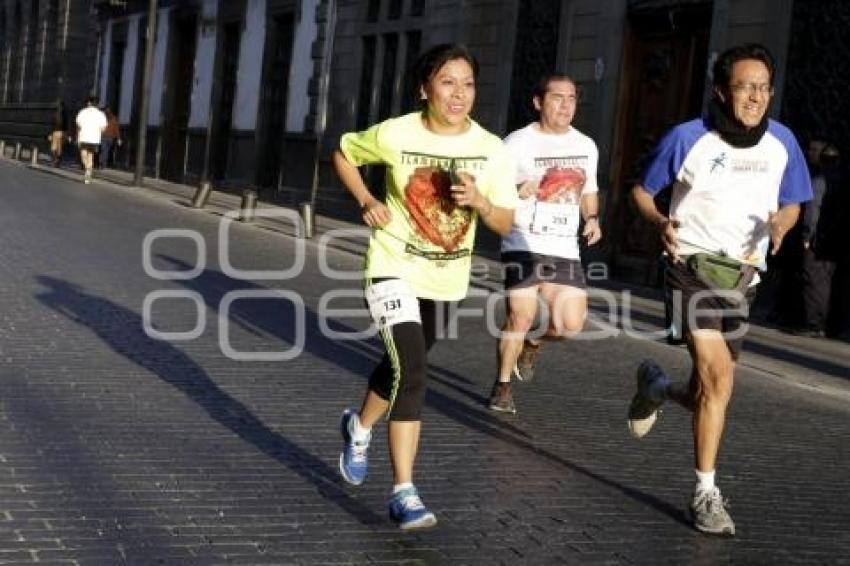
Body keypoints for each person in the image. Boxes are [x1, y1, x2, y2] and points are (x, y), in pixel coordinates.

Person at [627, 43, 812, 536]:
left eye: (763, 88)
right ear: (720, 91)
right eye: (745, 87)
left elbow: (793, 201)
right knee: (719, 382)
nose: (755, 97)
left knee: (710, 390)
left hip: (743, 277)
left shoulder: (783, 143)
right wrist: (660, 220)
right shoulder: (689, 138)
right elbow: (642, 191)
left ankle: (658, 387)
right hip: (690, 267)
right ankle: (705, 493)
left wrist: (782, 223)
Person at [332, 44, 517, 530]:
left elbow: (504, 222)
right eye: (447, 82)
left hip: (447, 276)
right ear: (424, 88)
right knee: (412, 371)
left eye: (468, 83)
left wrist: (479, 200)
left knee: (399, 368)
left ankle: (359, 425)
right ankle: (404, 492)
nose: (459, 93)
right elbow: (344, 153)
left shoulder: (491, 149)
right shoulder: (396, 133)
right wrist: (367, 198)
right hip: (391, 265)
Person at [488, 74, 602, 414]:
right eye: (557, 97)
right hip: (522, 240)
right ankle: (503, 385)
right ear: (539, 102)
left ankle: (533, 342)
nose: (566, 105)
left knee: (569, 325)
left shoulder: (585, 145)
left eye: (571, 98)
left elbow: (589, 190)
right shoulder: (516, 143)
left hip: (564, 246)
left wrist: (593, 218)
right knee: (520, 315)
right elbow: (491, 188)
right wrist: (516, 187)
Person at [786, 140, 841, 337]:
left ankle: (814, 323)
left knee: (814, 280)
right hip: (835, 239)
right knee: (828, 280)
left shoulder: (819, 180)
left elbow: (812, 210)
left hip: (819, 239)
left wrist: (807, 236)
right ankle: (829, 324)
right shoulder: (841, 179)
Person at [75, 96, 107, 183]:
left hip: (84, 137)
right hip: (94, 139)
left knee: (84, 155)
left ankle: (87, 170)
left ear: (89, 103)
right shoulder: (101, 114)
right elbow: (103, 128)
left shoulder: (83, 112)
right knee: (90, 156)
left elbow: (78, 123)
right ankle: (88, 170)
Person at [48, 100, 68, 167]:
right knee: (60, 148)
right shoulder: (65, 114)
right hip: (62, 132)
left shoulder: (54, 113)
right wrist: (67, 134)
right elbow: (67, 125)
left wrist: (50, 134)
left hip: (55, 132)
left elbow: (51, 124)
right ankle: (57, 161)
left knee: (53, 147)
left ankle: (54, 160)